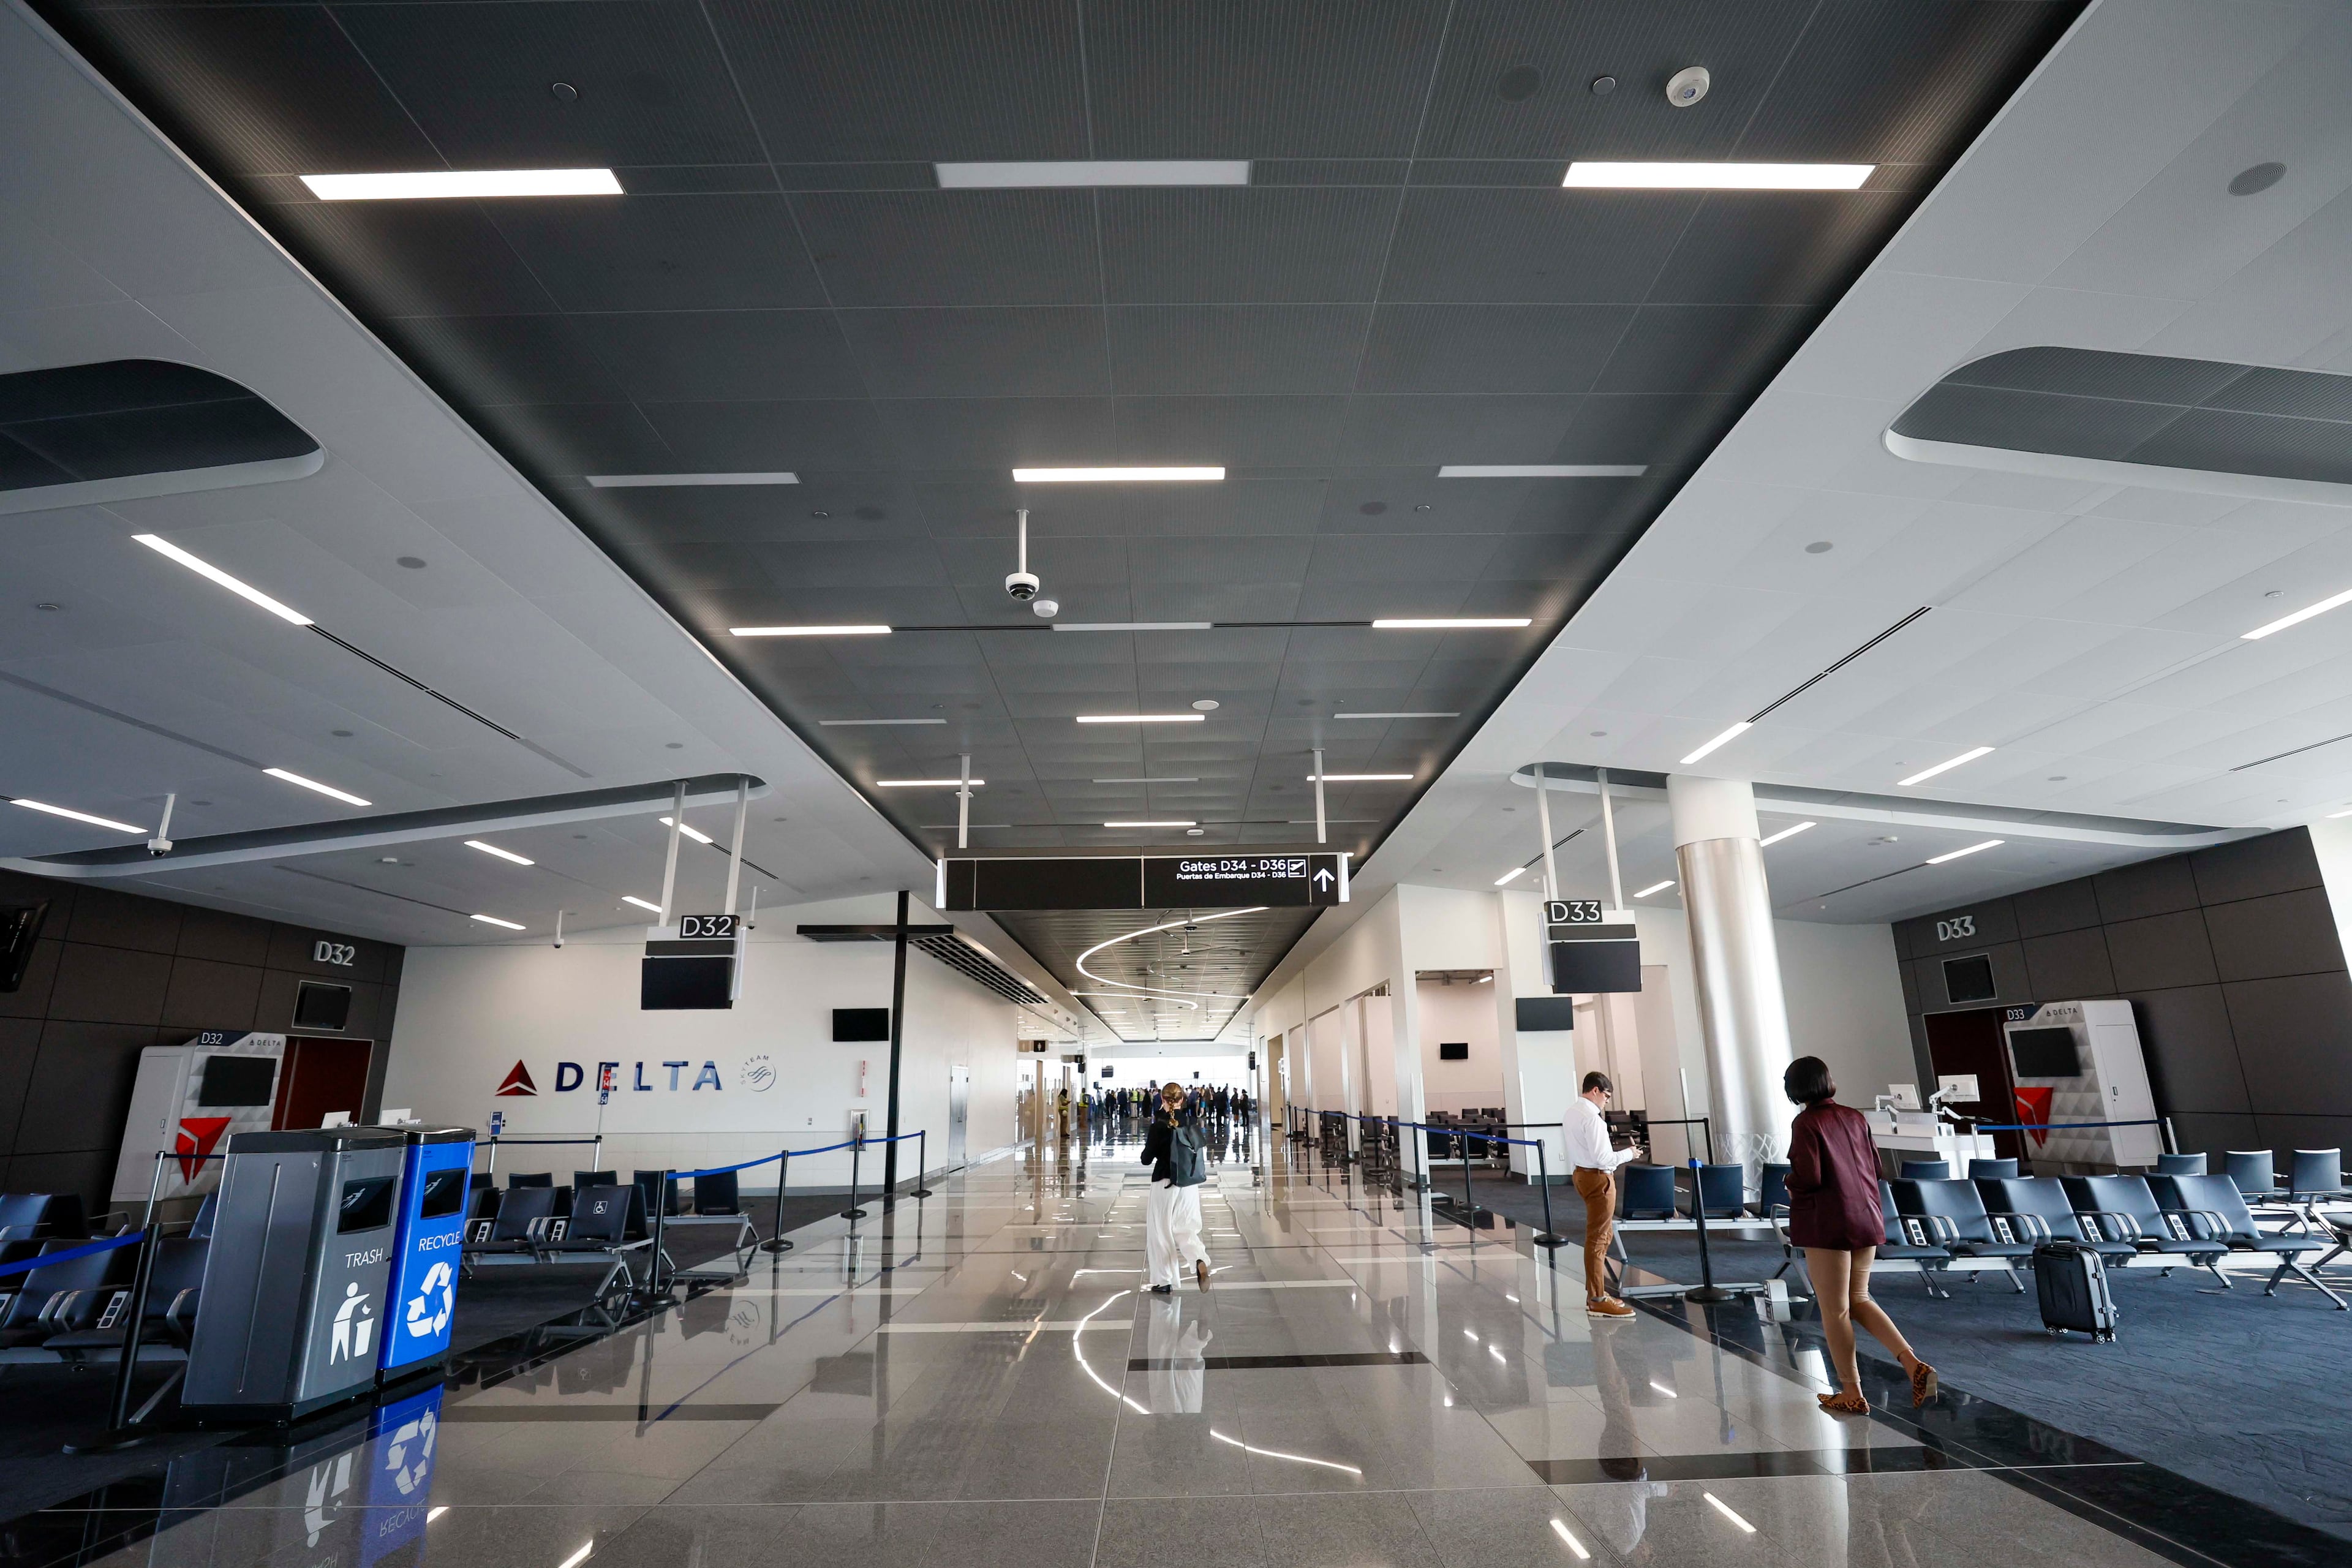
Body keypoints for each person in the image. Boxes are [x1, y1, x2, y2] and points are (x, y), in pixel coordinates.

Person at [1784, 1055, 1937, 1412]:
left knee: (1835, 1310)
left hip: (1829, 1223)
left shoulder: (1806, 1123)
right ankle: (1913, 1364)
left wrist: (1787, 1181)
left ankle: (1852, 1392)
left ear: (1795, 1088)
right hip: (1867, 1217)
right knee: (1860, 1298)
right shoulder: (1855, 1117)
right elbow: (1877, 1167)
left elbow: (1810, 1178)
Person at [1562, 1070, 1641, 1317]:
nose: (1607, 1101)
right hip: (1598, 1179)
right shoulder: (1592, 1118)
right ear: (1595, 1090)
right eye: (1606, 1095)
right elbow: (1603, 1158)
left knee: (1601, 1235)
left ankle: (1596, 1292)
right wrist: (1630, 1154)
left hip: (1582, 1175)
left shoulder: (1572, 1112)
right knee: (1598, 1238)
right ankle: (1597, 1298)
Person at [1141, 1080, 1211, 1292]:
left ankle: (1164, 1280)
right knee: (1187, 1227)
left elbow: (1146, 1159)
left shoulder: (1159, 1125)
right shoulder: (1191, 1122)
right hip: (1189, 1183)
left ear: (1163, 1099)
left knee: (1161, 1232)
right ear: (1182, 1100)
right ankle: (1199, 1258)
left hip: (1165, 1183)